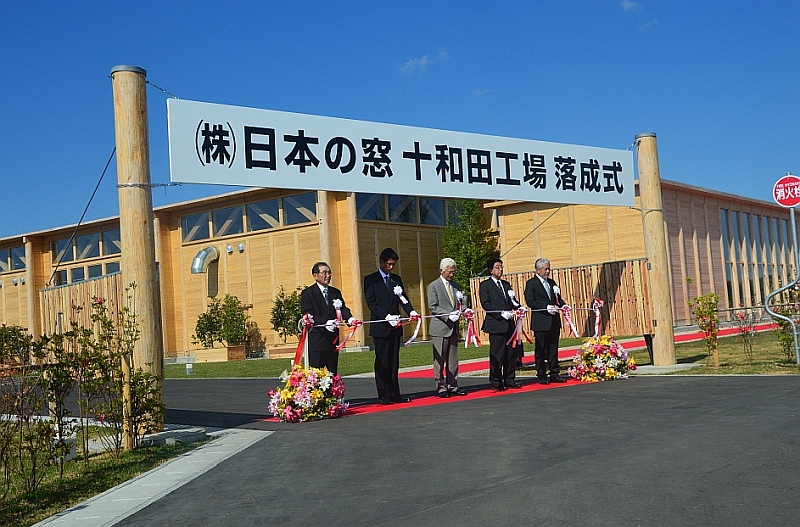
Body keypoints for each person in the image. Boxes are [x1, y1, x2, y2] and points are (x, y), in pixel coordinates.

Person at [363, 248, 418, 404]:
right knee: (382, 361)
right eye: (388, 264)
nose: (391, 267)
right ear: (381, 262)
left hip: (396, 327)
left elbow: (403, 298)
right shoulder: (371, 279)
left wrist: (411, 311)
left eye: (393, 264)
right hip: (381, 327)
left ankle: (395, 393)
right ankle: (383, 394)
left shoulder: (396, 279)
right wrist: (386, 317)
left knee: (394, 362)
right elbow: (371, 302)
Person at [300, 262, 354, 374]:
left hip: (332, 342)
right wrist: (325, 322)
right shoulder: (308, 293)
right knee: (316, 378)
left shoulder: (335, 292)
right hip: (317, 342)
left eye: (329, 272)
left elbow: (342, 308)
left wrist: (350, 319)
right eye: (324, 273)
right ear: (315, 275)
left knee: (332, 375)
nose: (328, 275)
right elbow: (308, 314)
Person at [478, 258, 521, 391]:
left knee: (510, 353)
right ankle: (496, 381)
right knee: (497, 353)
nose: (500, 269)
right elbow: (486, 304)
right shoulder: (485, 285)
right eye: (497, 267)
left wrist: (518, 307)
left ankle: (510, 379)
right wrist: (500, 313)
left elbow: (512, 300)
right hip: (496, 324)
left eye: (501, 267)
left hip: (509, 324)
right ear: (491, 270)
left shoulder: (506, 284)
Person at [427, 257, 467, 398]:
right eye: (449, 272)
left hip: (453, 328)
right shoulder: (433, 286)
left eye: (453, 272)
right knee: (440, 360)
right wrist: (448, 315)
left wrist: (465, 310)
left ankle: (453, 386)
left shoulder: (456, 285)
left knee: (453, 360)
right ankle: (440, 387)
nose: (451, 275)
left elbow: (462, 301)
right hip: (440, 328)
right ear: (441, 271)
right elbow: (433, 306)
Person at [524, 257, 566, 384]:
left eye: (549, 269)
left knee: (553, 348)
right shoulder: (531, 283)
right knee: (541, 349)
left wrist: (563, 305)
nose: (547, 271)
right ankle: (541, 374)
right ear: (537, 270)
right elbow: (530, 301)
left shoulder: (552, 283)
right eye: (545, 269)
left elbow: (557, 298)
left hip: (553, 321)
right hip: (541, 321)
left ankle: (554, 373)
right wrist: (545, 307)